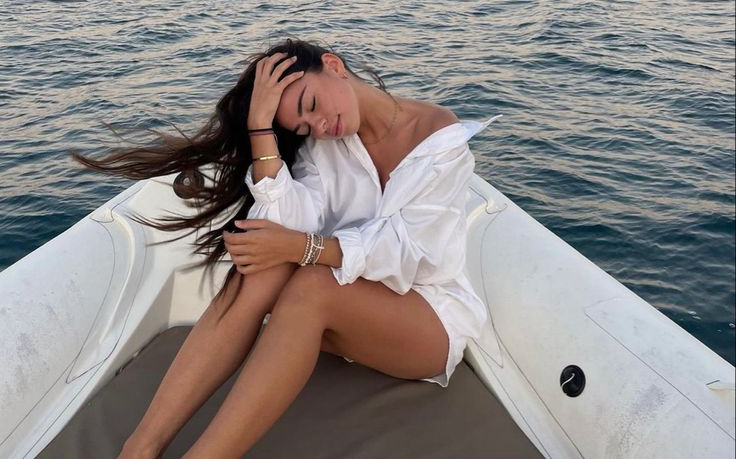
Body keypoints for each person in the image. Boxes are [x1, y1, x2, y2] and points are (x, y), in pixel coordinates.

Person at [73, 37, 500, 459]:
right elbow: (286, 224)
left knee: (312, 279)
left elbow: (411, 254)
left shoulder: (439, 141)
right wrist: (261, 129)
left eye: (311, 105)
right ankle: (140, 448)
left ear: (333, 65)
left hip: (426, 322)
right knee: (265, 269)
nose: (317, 127)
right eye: (301, 127)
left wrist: (304, 247)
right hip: (350, 316)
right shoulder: (324, 145)